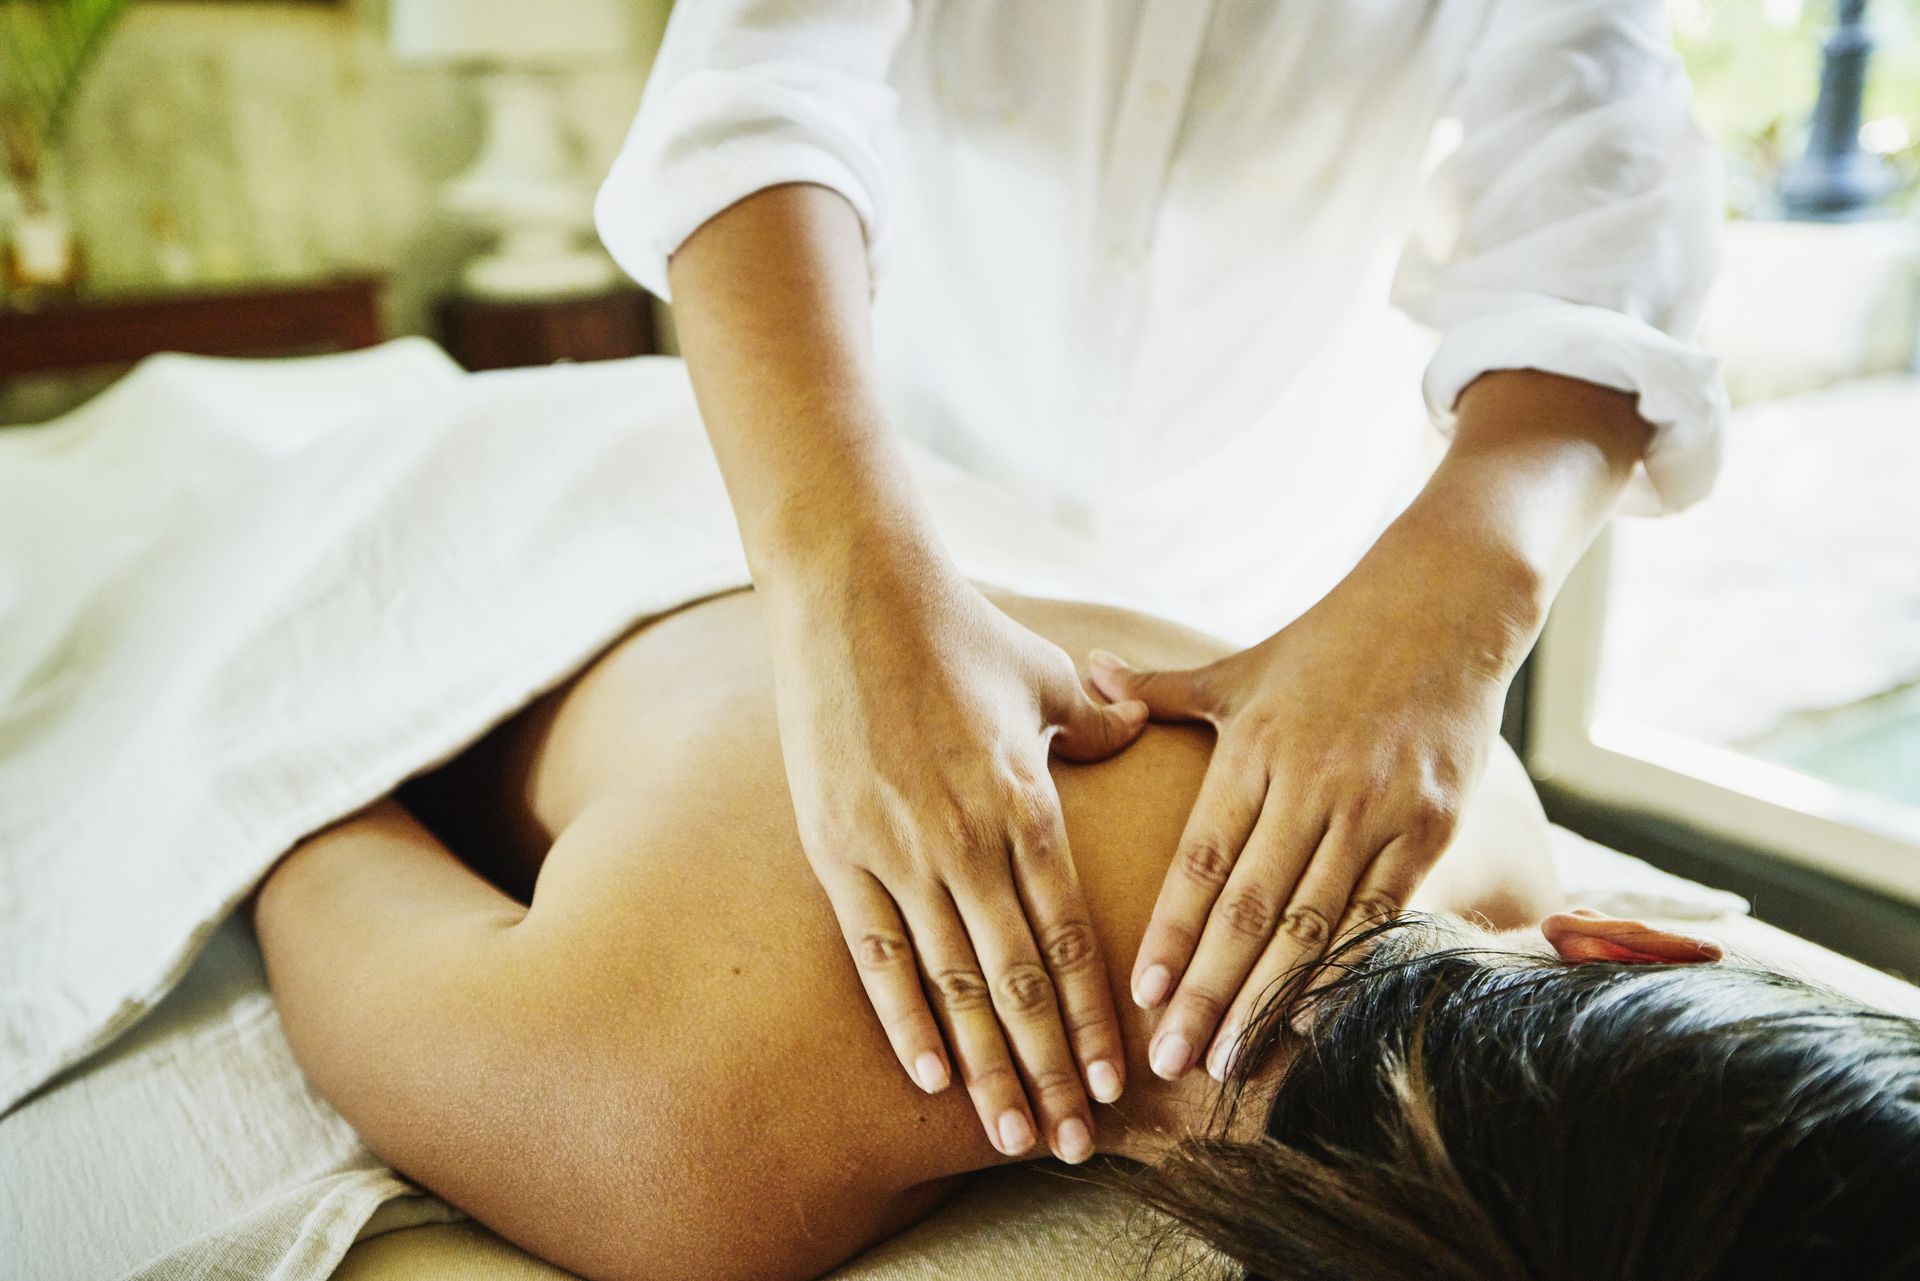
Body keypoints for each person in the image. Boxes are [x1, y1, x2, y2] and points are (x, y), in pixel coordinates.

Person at [593, 0, 1733, 1154]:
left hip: (1283, 582)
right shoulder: (1507, 845)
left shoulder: (1493, 838)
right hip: (857, 487)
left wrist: (1465, 608)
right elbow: (751, 100)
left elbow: (1599, 223)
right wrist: (837, 584)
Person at [253, 586, 1920, 1281]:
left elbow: (298, 797)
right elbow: (301, 827)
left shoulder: (1467, 785)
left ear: (1638, 947)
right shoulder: (675, 1138)